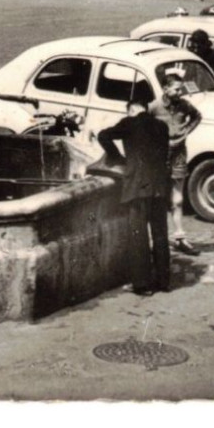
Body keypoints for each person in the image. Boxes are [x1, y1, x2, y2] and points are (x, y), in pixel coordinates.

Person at [92, 92, 173, 295]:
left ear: (132, 109)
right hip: (160, 187)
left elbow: (103, 135)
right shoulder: (162, 127)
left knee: (138, 235)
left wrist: (117, 157)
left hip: (137, 185)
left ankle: (142, 284)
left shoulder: (129, 122)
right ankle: (163, 281)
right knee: (160, 233)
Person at [155, 64, 204, 257]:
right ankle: (157, 237)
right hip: (160, 156)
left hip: (179, 154)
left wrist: (185, 132)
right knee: (157, 196)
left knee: (178, 198)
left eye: (180, 89)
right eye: (176, 89)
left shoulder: (184, 106)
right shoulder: (154, 107)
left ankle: (179, 236)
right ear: (165, 89)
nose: (179, 92)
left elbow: (197, 117)